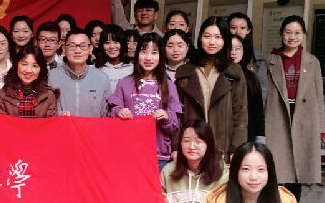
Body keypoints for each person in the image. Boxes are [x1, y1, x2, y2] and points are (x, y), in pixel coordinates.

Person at [265, 15, 325, 203]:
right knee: (277, 169)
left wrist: (321, 128)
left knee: (298, 171)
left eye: (297, 33)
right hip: (278, 117)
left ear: (304, 34)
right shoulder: (270, 60)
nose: (292, 37)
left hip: (304, 118)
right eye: (288, 32)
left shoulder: (312, 61)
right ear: (281, 33)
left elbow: (319, 96)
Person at [175, 17, 247, 161]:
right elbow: (177, 114)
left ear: (225, 40)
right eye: (207, 36)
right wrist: (175, 146)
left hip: (221, 145)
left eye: (218, 37)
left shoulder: (234, 72)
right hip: (191, 145)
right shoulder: (185, 71)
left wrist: (236, 148)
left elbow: (240, 113)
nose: (212, 42)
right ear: (200, 38)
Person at [107, 33, 181, 169]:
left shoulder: (169, 86)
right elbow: (111, 113)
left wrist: (166, 116)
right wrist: (119, 112)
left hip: (158, 155)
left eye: (154, 53)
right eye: (144, 52)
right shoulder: (124, 83)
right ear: (137, 55)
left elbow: (174, 124)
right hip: (128, 152)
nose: (148, 58)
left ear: (161, 56)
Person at [48, 28, 110, 117]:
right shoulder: (51, 77)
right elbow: (45, 110)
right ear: (64, 49)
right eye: (72, 46)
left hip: (93, 126)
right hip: (62, 125)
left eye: (83, 46)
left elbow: (106, 114)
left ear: (90, 49)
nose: (77, 51)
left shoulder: (102, 78)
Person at [0, 45, 59, 118]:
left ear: (41, 69)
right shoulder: (4, 93)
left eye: (34, 66)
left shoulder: (48, 95)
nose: (28, 70)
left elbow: (51, 123)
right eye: (24, 64)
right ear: (16, 65)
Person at [230, 34, 265, 144]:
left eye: (238, 48)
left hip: (246, 134)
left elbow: (258, 112)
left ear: (243, 51)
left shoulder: (251, 78)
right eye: (230, 48)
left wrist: (260, 138)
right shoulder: (217, 74)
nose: (233, 52)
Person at [228, 11, 268, 97]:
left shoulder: (257, 58)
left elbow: (263, 89)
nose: (238, 31)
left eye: (242, 28)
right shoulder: (220, 53)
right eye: (233, 28)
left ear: (248, 30)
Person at [94, 24, 133, 93]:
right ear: (102, 46)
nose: (112, 46)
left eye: (116, 42)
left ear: (122, 44)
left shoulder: (132, 69)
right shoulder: (95, 69)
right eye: (107, 43)